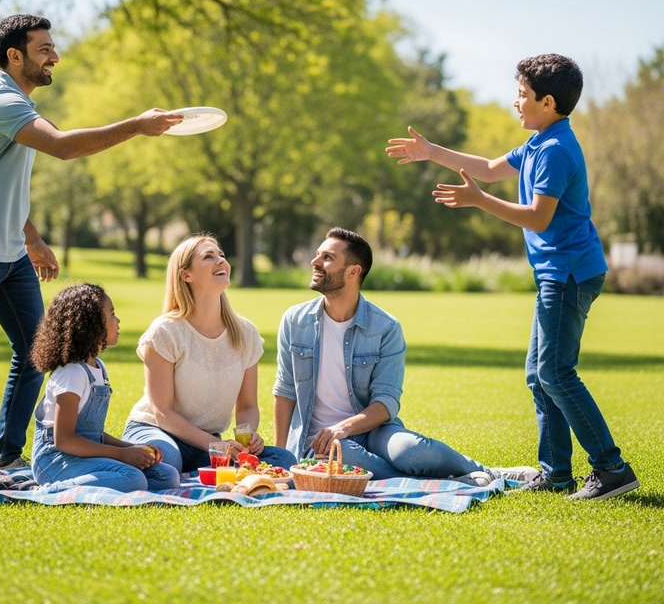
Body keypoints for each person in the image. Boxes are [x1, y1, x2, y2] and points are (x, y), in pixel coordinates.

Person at [0, 14, 184, 484]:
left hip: (7, 252)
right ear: (14, 56)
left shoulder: (19, 104)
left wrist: (31, 237)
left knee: (37, 352)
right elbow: (64, 148)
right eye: (44, 49)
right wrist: (138, 125)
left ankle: (5, 457)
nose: (54, 56)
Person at [385, 53, 639, 501]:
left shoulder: (557, 150)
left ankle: (612, 469)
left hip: (568, 274)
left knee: (556, 374)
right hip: (557, 275)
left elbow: (538, 218)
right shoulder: (541, 141)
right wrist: (430, 152)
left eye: (521, 95)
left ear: (547, 101)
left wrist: (479, 201)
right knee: (539, 375)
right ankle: (556, 472)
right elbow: (486, 168)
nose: (515, 102)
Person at [273, 227, 536, 485]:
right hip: (319, 445)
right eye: (318, 254)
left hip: (374, 431)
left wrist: (345, 427)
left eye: (327, 257)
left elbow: (386, 402)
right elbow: (285, 391)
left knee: (413, 450)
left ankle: (490, 472)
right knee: (340, 453)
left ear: (353, 271)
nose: (314, 261)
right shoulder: (295, 321)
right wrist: (283, 457)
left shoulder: (385, 327)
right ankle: (450, 482)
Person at [122, 234, 296, 475]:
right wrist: (215, 446)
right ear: (186, 275)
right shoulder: (165, 332)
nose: (220, 261)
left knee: (283, 459)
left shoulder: (245, 333)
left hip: (208, 442)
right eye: (208, 257)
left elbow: (246, 405)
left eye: (221, 256)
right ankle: (197, 474)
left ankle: (195, 475)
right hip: (156, 431)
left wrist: (247, 439)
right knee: (167, 460)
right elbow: (163, 413)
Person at [30, 284, 180, 493]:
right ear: (90, 325)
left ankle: (102, 481)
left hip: (87, 454)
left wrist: (131, 449)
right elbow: (64, 440)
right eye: (112, 315)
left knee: (166, 475)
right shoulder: (72, 374)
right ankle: (47, 490)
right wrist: (121, 455)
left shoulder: (97, 368)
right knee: (133, 479)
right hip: (55, 460)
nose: (118, 321)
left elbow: (93, 434)